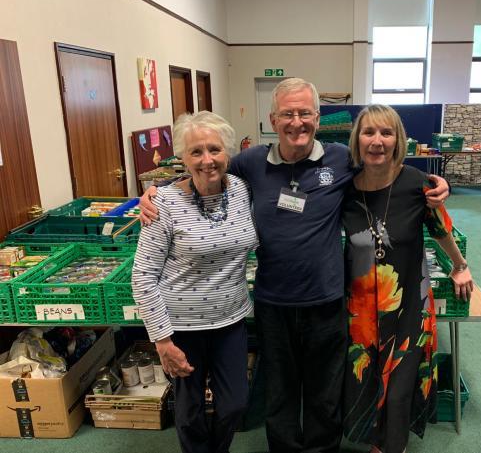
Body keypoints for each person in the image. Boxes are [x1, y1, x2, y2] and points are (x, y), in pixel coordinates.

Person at [139, 78, 451, 452]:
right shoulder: (252, 163)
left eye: (305, 113)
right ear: (273, 118)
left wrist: (434, 183)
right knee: (281, 393)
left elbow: (382, 165)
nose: (296, 122)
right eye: (287, 113)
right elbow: (207, 166)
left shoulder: (340, 159)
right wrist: (157, 191)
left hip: (326, 299)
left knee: (324, 393)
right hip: (274, 303)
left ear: (317, 118)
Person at [341, 104, 473, 453]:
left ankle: (391, 446)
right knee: (366, 379)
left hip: (409, 305)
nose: (377, 141)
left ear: (398, 141)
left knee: (398, 388)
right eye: (369, 132)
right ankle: (376, 441)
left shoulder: (419, 185)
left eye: (386, 133)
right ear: (358, 139)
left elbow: (441, 229)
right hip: (360, 306)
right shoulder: (344, 189)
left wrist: (460, 265)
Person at [131, 111, 258, 453]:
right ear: (182, 158)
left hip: (231, 321)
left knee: (234, 404)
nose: (207, 160)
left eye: (214, 150)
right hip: (182, 326)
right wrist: (161, 340)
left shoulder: (243, 190)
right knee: (189, 413)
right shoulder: (164, 204)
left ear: (228, 153)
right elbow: (143, 274)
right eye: (196, 152)